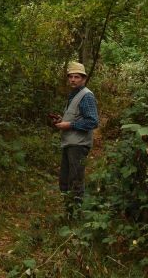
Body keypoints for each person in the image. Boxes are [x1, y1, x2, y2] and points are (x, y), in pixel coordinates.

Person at [54, 60, 99, 215]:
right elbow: (76, 117)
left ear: (84, 79)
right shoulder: (74, 95)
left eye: (77, 77)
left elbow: (93, 121)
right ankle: (68, 213)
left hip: (78, 145)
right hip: (69, 143)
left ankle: (75, 216)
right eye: (71, 77)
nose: (73, 79)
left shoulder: (86, 96)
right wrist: (62, 121)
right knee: (65, 180)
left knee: (75, 180)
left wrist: (70, 125)